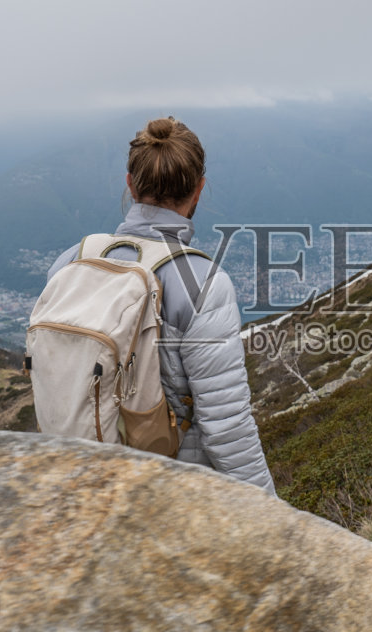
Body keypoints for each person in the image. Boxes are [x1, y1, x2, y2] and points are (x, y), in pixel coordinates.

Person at [45, 117, 277, 495]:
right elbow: (227, 427)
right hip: (166, 494)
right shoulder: (203, 283)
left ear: (130, 185)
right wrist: (275, 518)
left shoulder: (70, 262)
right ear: (199, 190)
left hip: (76, 477)